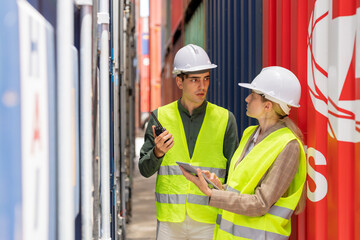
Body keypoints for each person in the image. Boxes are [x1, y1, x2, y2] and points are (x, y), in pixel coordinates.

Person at [180, 66, 307, 239]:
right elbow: (241, 189)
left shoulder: (288, 145)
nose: (247, 99)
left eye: (253, 96)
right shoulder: (249, 133)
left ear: (268, 106)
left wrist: (213, 195)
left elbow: (261, 203)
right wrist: (218, 186)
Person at [138, 44, 239, 240]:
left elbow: (236, 174)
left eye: (206, 79)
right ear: (180, 82)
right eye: (194, 80)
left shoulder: (226, 120)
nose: (202, 86)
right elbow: (144, 169)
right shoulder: (160, 117)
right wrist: (157, 153)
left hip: (209, 220)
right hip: (170, 222)